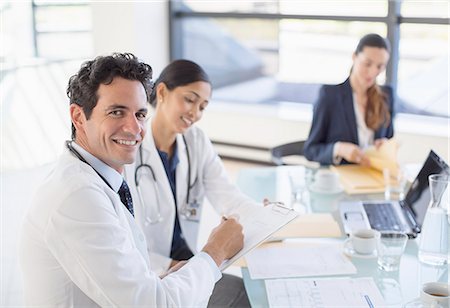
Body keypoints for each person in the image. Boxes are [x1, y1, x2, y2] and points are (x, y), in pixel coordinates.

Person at [19, 53, 244, 307]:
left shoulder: (100, 177)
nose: (134, 129)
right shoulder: (77, 196)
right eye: (116, 112)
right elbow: (152, 304)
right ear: (79, 117)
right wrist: (215, 251)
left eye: (139, 114)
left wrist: (172, 275)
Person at [124, 59, 260, 307]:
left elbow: (227, 195)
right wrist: (174, 267)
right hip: (152, 274)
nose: (195, 114)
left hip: (190, 263)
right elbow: (128, 242)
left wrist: (263, 217)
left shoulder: (196, 141)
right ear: (163, 92)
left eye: (202, 107)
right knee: (242, 296)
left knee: (252, 291)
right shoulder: (129, 151)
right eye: (189, 99)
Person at [304, 33, 394, 165]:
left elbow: (390, 138)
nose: (373, 72)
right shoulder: (329, 96)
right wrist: (339, 149)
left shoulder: (386, 96)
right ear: (354, 57)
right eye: (367, 63)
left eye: (380, 66)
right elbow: (311, 150)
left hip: (372, 177)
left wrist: (385, 146)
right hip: (339, 180)